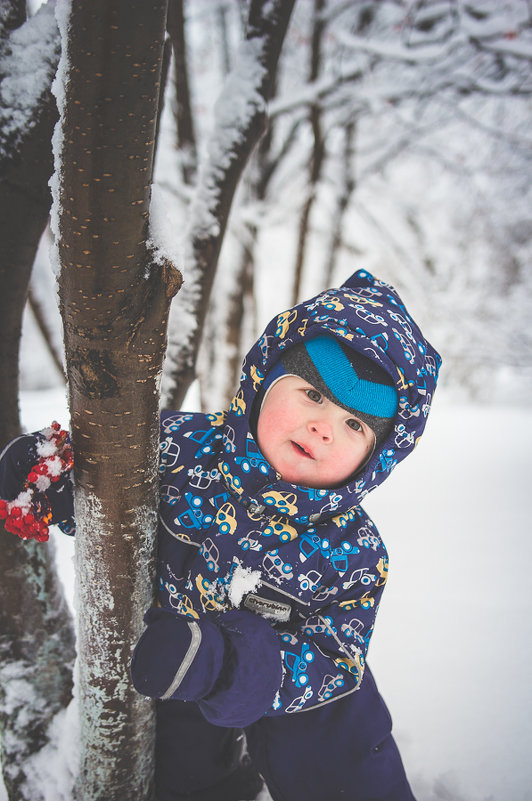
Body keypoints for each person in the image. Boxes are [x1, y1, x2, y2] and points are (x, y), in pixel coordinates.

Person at [0, 269, 441, 801]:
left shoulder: (353, 555)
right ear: (264, 380)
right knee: (183, 773)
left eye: (356, 426)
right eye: (311, 394)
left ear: (375, 460)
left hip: (273, 687)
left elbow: (334, 657)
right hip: (171, 668)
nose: (325, 428)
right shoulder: (180, 447)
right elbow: (116, 503)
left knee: (342, 737)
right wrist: (57, 482)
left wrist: (232, 664)